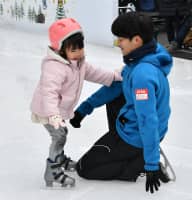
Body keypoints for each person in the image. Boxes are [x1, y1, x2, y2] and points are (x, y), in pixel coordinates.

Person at [70, 12, 172, 194]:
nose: (117, 44)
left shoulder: (142, 75)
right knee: (117, 93)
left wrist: (150, 164)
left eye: (121, 39)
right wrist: (85, 109)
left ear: (137, 40)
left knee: (85, 168)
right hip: (140, 126)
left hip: (139, 135)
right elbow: (115, 87)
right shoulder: (144, 56)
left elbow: (148, 120)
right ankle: (134, 153)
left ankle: (138, 163)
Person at [30, 18, 121, 187]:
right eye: (74, 49)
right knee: (59, 136)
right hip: (47, 111)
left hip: (57, 111)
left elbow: (95, 73)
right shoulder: (54, 67)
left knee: (61, 135)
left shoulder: (78, 63)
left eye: (81, 47)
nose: (79, 52)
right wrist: (53, 115)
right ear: (61, 49)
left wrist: (114, 76)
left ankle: (60, 159)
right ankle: (53, 169)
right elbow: (49, 92)